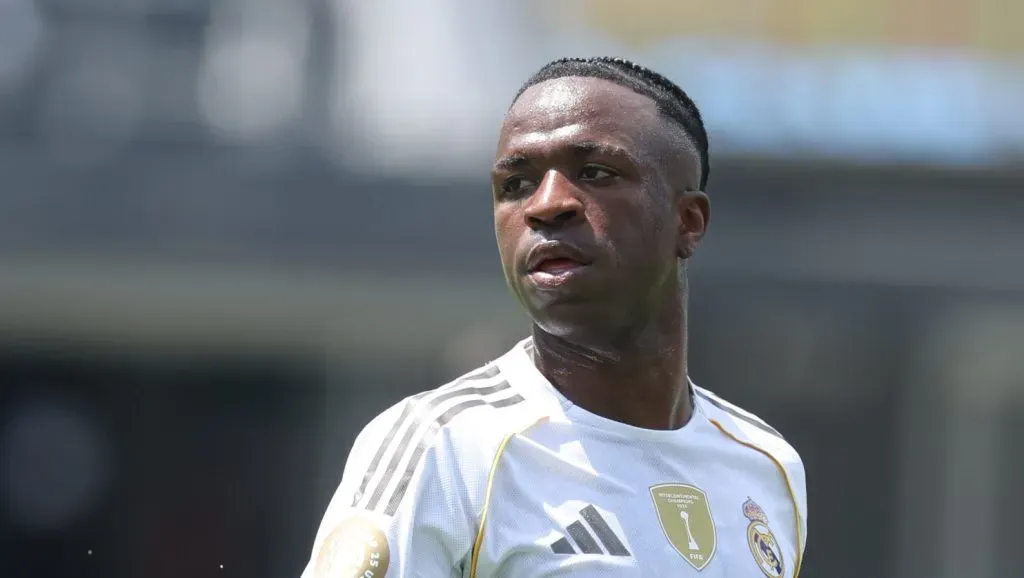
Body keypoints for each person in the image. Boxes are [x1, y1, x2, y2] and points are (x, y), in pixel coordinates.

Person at [301, 56, 807, 577]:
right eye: (515, 185)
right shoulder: (446, 445)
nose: (546, 205)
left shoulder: (765, 465)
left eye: (595, 173)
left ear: (689, 221)